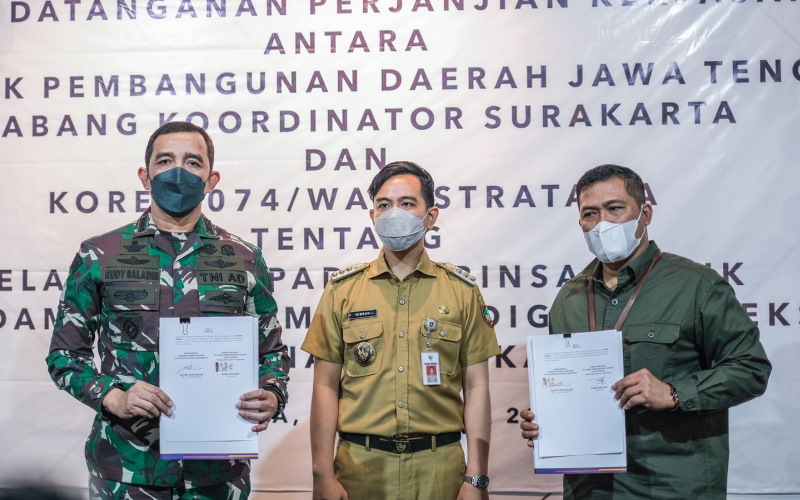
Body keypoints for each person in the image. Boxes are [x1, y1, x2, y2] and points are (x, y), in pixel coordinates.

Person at [46, 121, 289, 499]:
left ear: (212, 179)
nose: (179, 172)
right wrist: (113, 396)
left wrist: (272, 395)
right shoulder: (100, 254)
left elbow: (271, 352)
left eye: (193, 162)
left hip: (217, 475)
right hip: (126, 471)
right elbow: (64, 356)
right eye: (165, 160)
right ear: (146, 176)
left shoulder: (244, 258)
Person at [520, 164, 771, 499]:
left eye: (615, 209)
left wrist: (675, 392)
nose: (602, 223)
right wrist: (546, 419)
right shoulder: (570, 298)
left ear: (645, 213)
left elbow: (751, 369)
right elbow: (564, 385)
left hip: (672, 484)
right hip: (590, 488)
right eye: (589, 214)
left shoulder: (697, 286)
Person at [302, 161, 500, 500]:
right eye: (384, 205)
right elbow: (324, 385)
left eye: (407, 203)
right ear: (372, 216)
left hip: (440, 471)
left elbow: (477, 387)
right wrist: (322, 472)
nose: (394, 213)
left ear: (431, 216)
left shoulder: (461, 291)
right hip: (359, 470)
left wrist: (476, 478)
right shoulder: (342, 290)